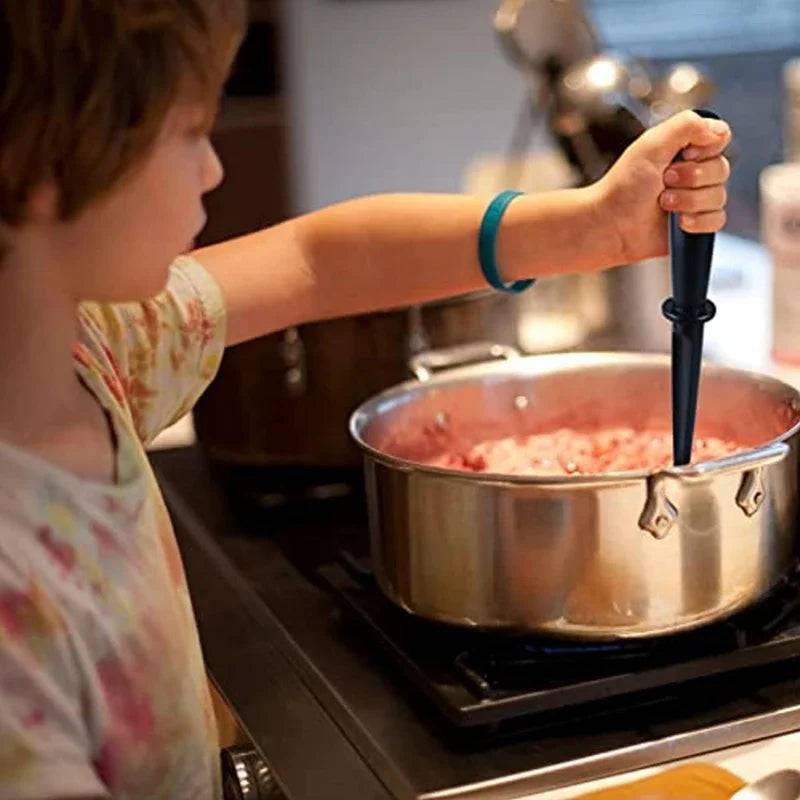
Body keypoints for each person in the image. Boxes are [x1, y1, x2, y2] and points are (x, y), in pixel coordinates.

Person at [0, 1, 732, 798]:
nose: (212, 168)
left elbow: (318, 260)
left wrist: (594, 227)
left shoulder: (94, 349)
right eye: (188, 133)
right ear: (44, 166)